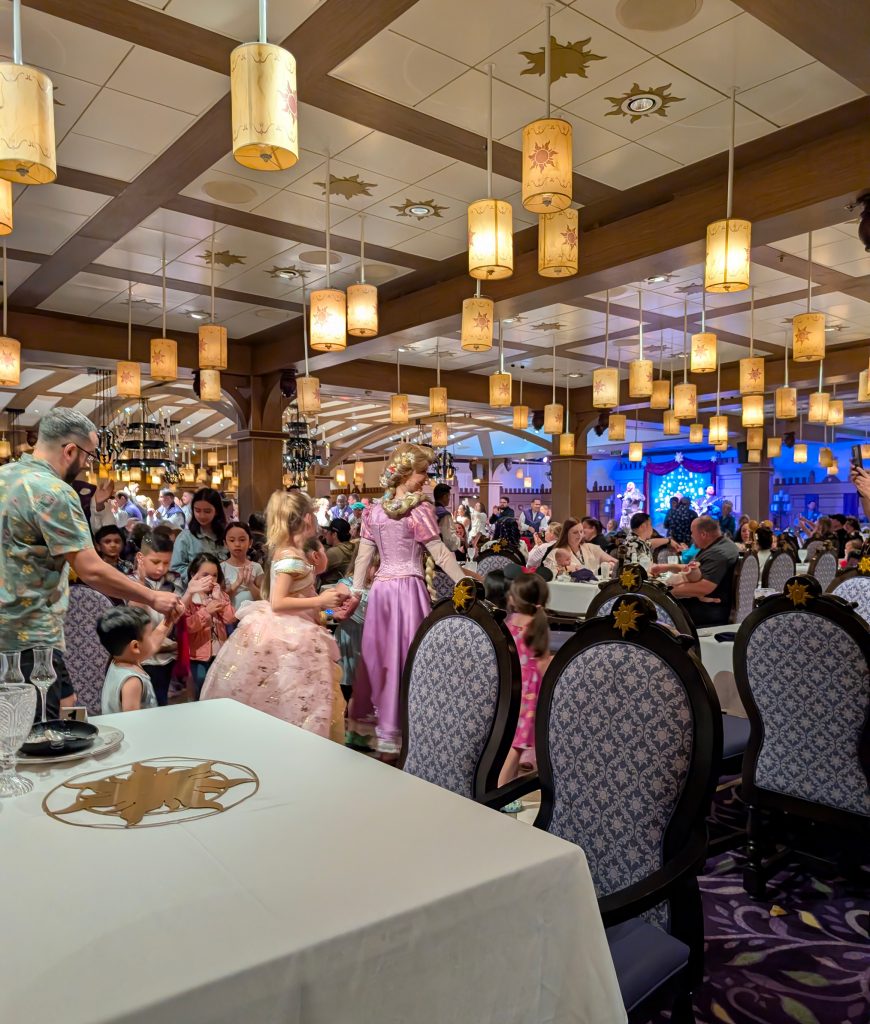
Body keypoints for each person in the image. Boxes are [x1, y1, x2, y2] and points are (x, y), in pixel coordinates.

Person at [0, 409, 182, 719]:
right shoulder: (54, 491)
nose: (87, 464)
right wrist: (152, 596)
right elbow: (91, 569)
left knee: (46, 713)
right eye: (88, 455)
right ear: (70, 450)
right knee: (36, 732)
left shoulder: (5, 475)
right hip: (29, 636)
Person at [347, 443, 469, 756]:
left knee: (381, 658)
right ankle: (404, 730)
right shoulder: (419, 510)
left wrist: (357, 593)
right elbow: (441, 554)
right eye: (423, 472)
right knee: (407, 657)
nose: (426, 479)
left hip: (381, 593)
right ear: (405, 473)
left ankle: (381, 731)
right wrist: (465, 582)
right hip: (408, 591)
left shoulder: (374, 512)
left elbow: (363, 558)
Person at [200, 490, 346, 739]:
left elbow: (303, 603)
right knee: (295, 701)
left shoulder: (291, 551)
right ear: (305, 518)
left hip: (295, 626)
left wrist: (331, 611)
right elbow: (278, 602)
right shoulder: (290, 555)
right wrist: (322, 600)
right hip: (290, 635)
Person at [497, 573, 551, 811]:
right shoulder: (536, 624)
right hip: (529, 694)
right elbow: (542, 663)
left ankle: (499, 786)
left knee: (507, 740)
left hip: (510, 686)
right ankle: (501, 793)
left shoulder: (509, 621)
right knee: (517, 745)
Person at [130, 529, 183, 707]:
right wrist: (141, 584)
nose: (161, 568)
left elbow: (176, 618)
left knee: (161, 701)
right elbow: (136, 620)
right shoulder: (127, 582)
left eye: (166, 562)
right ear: (140, 557)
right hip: (139, 657)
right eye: (155, 562)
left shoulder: (172, 582)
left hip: (165, 655)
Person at [667, 516, 740, 627]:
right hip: (714, 604)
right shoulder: (725, 544)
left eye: (692, 532)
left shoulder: (718, 553)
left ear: (703, 534)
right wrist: (668, 567)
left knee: (661, 610)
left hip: (710, 610)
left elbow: (704, 587)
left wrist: (666, 592)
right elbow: (693, 569)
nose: (691, 536)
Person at [181, 552, 236, 698]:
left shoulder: (221, 595)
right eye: (205, 575)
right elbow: (188, 626)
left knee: (218, 691)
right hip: (198, 656)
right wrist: (206, 611)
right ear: (193, 575)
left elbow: (230, 619)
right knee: (200, 690)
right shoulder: (188, 599)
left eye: (214, 575)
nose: (211, 579)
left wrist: (220, 600)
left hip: (219, 653)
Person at [97, 605, 169, 714]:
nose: (152, 638)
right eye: (150, 635)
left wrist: (168, 621)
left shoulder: (119, 661)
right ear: (135, 646)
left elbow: (154, 642)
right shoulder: (132, 681)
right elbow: (132, 721)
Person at [170, 487, 228, 579]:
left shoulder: (227, 536)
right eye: (197, 510)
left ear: (216, 511)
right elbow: (175, 569)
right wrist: (199, 575)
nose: (202, 515)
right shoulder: (185, 537)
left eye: (207, 511)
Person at [543, 517, 616, 576]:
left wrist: (610, 565)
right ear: (566, 534)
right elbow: (549, 573)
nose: (579, 535)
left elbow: (614, 562)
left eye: (581, 531)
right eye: (575, 532)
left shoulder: (591, 547)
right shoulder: (557, 552)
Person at [222, 521, 264, 613]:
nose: (237, 544)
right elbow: (219, 598)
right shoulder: (221, 568)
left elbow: (263, 598)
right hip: (229, 617)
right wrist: (237, 583)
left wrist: (250, 585)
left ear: (250, 542)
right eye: (232, 540)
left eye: (242, 540)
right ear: (225, 543)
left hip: (252, 616)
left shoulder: (256, 567)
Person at [321, 516, 356, 585]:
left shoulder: (334, 552)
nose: (326, 535)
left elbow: (315, 569)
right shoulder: (352, 547)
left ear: (334, 534)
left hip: (329, 588)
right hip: (345, 586)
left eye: (328, 532)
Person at [433, 483, 461, 551]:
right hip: (439, 551)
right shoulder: (444, 514)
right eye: (449, 496)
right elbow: (449, 540)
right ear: (445, 496)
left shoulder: (428, 510)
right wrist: (459, 540)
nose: (449, 499)